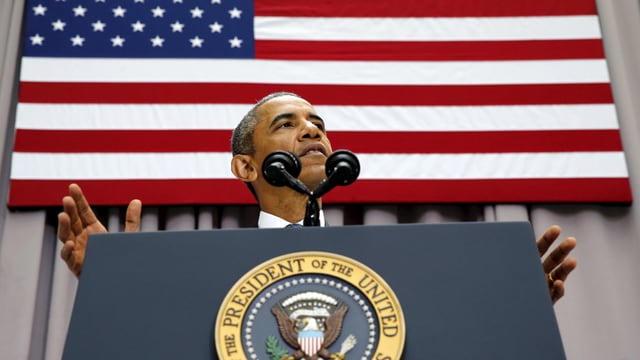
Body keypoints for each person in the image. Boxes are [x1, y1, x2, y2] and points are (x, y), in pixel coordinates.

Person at [57, 92, 577, 303]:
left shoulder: (398, 267)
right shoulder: (200, 271)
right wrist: (113, 285)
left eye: (318, 125)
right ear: (245, 166)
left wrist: (513, 305)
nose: (312, 132)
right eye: (288, 125)